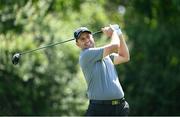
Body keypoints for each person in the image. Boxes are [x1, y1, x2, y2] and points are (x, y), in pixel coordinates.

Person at [74, 24, 130, 116]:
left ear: (92, 37)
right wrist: (113, 32)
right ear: (77, 44)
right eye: (82, 39)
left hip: (120, 107)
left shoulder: (105, 55)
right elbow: (115, 46)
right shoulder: (86, 55)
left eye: (88, 36)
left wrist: (119, 33)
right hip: (100, 109)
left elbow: (125, 57)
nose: (87, 40)